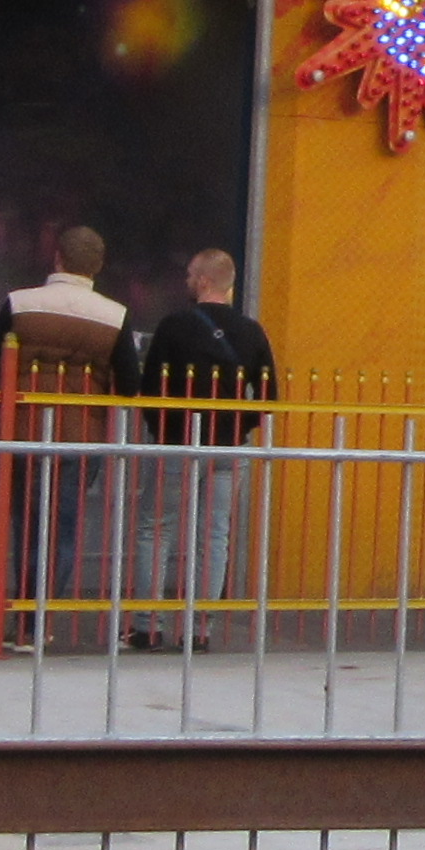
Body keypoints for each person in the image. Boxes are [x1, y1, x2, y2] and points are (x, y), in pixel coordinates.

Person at [119, 247, 276, 651]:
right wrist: (239, 425)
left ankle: (147, 626)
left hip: (177, 442)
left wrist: (161, 428)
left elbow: (150, 388)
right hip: (228, 449)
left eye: (191, 274)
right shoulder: (252, 331)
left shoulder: (174, 327)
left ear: (204, 281)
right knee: (215, 536)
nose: (187, 280)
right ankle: (199, 630)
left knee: (157, 529)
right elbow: (269, 397)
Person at [0, 225, 128, 653]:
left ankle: (21, 617)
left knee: (26, 524)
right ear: (98, 267)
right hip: (80, 436)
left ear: (57, 258)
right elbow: (129, 383)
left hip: (23, 431)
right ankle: (39, 623)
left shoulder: (20, 303)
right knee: (62, 530)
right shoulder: (115, 316)